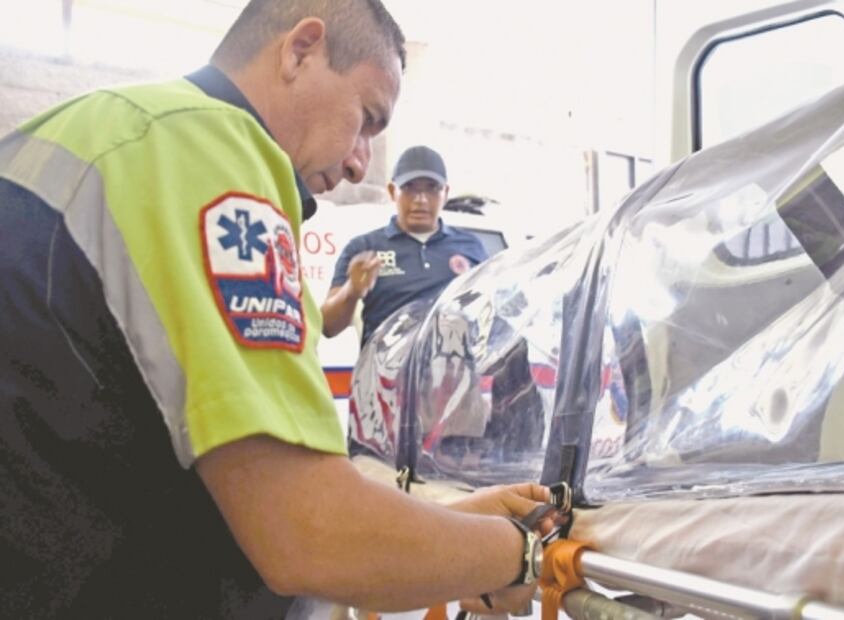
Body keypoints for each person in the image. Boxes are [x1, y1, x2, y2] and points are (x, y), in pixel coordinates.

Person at [0, 1, 556, 618]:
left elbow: (216, 477)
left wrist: (440, 528)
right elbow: (311, 535)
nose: (357, 162)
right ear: (300, 50)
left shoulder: (94, 131)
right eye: (367, 119)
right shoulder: (209, 150)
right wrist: (522, 553)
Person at [320, 145, 489, 345]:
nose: (421, 199)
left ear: (446, 193)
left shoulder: (471, 246)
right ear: (392, 191)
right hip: (385, 375)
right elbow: (328, 327)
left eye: (432, 188)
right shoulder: (363, 248)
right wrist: (352, 290)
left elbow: (492, 311)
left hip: (455, 373)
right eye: (409, 188)